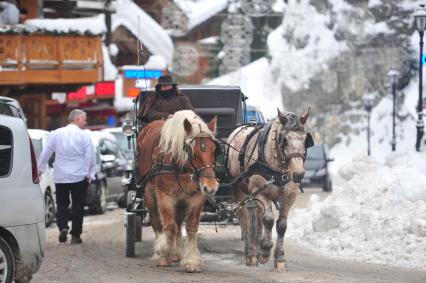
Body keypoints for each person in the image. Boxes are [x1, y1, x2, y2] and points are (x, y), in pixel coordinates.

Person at [38, 109, 95, 245]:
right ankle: (75, 235)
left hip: (60, 175)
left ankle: (63, 226)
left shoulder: (56, 134)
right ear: (77, 119)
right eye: (84, 119)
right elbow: (89, 156)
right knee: (78, 205)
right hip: (79, 176)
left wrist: (40, 169)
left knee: (62, 203)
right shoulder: (84, 136)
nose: (85, 122)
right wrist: (89, 174)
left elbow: (46, 152)